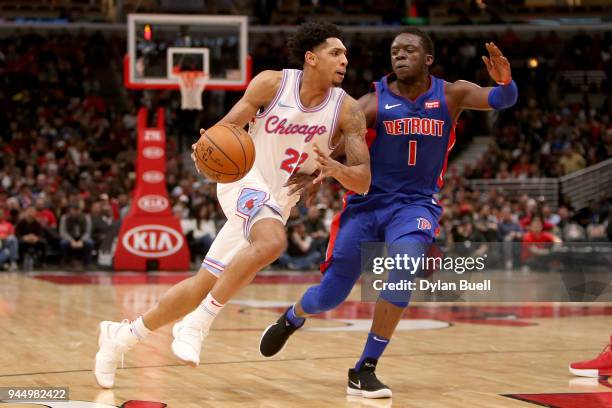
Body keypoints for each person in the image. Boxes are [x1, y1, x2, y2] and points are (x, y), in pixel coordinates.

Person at [94, 21, 371, 389]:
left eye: (346, 54)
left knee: (203, 282)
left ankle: (122, 336)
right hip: (242, 176)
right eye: (335, 52)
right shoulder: (272, 84)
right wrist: (207, 148)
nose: (344, 60)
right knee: (272, 243)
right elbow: (225, 130)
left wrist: (331, 169)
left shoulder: (348, 110)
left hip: (279, 197)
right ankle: (198, 323)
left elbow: (363, 180)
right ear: (311, 58)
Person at [259, 29, 518, 399]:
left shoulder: (451, 93)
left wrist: (505, 81)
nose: (400, 55)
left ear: (428, 59)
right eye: (395, 51)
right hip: (366, 206)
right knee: (330, 296)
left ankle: (365, 367)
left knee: (405, 265)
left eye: (409, 50)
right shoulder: (370, 103)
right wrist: (316, 172)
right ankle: (293, 316)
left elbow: (503, 99)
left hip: (415, 205)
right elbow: (329, 146)